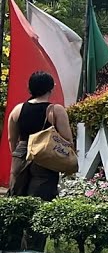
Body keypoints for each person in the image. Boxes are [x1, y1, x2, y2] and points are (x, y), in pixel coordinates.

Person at [6, 71, 72, 215]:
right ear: (51, 88)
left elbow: (12, 138)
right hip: (45, 157)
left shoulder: (17, 109)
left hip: (21, 154)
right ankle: (33, 237)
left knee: (15, 201)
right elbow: (67, 139)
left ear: (30, 89)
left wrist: (17, 155)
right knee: (40, 205)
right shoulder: (55, 110)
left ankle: (12, 236)